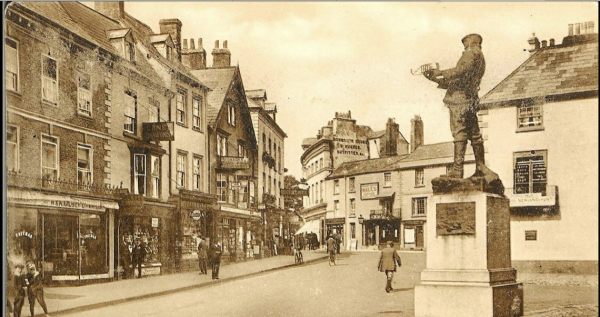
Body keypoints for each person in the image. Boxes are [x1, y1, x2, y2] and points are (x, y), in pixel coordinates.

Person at [424, 33, 486, 179]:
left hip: (459, 101)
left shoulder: (471, 54)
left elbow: (460, 71)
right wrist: (435, 79)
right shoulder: (479, 57)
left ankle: (457, 170)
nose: (464, 45)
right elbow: (460, 80)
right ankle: (481, 167)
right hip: (469, 100)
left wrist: (440, 73)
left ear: (473, 42)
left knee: (459, 133)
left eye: (466, 42)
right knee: (475, 135)